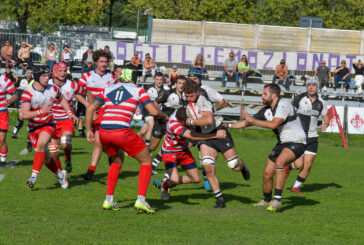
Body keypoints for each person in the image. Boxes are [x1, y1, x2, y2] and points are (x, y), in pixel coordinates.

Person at [85, 67, 168, 213]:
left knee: (117, 161)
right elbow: (154, 112)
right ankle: (141, 200)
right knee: (146, 161)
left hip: (104, 131)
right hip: (121, 131)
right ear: (136, 78)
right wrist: (164, 116)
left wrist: (89, 130)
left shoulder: (108, 89)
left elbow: (90, 108)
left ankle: (108, 200)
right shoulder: (138, 90)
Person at [230, 84, 306, 212]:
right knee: (267, 173)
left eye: (265, 94)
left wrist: (253, 121)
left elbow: (273, 124)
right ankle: (266, 200)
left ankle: (277, 200)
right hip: (282, 143)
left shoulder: (284, 105)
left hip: (297, 141)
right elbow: (248, 122)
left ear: (274, 95)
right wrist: (228, 126)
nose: (262, 96)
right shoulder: (266, 110)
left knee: (280, 162)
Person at [184, 79, 250, 208]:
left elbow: (208, 120)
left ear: (197, 93)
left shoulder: (203, 100)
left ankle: (242, 166)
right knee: (208, 167)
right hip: (205, 137)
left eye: (191, 96)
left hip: (219, 132)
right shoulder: (186, 98)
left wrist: (189, 122)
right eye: (187, 96)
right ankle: (219, 199)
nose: (189, 99)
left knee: (234, 165)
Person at [20, 66, 76, 188]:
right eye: (44, 76)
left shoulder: (53, 88)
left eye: (48, 76)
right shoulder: (28, 92)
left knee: (41, 144)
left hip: (49, 123)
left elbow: (62, 99)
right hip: (33, 127)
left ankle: (33, 177)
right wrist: (40, 111)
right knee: (46, 158)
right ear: (37, 77)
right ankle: (60, 175)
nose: (48, 78)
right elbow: (24, 114)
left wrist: (69, 112)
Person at [156, 107, 226, 200]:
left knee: (196, 179)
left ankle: (170, 180)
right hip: (170, 152)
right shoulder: (173, 124)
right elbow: (193, 136)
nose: (183, 124)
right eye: (181, 121)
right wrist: (216, 135)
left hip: (184, 151)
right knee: (174, 180)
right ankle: (164, 186)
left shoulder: (186, 113)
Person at [286, 79, 329, 194]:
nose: (311, 87)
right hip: (299, 137)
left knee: (308, 165)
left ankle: (295, 187)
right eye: (309, 85)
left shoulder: (321, 103)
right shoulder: (299, 98)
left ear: (317, 87)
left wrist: (325, 125)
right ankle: (288, 166)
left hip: (312, 138)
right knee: (298, 164)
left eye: (314, 85)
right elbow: (289, 112)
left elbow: (326, 119)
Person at [79, 49, 117, 180]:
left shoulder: (112, 78)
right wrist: (89, 107)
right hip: (94, 113)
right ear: (95, 62)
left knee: (102, 141)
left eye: (106, 61)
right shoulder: (87, 76)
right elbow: (78, 92)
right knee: (98, 141)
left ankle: (94, 168)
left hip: (108, 113)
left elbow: (116, 95)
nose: (104, 64)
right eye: (102, 61)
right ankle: (93, 168)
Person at [48, 63, 87, 173]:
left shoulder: (72, 84)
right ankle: (60, 173)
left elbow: (81, 92)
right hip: (51, 120)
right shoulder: (48, 84)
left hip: (67, 118)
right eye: (60, 71)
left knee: (65, 144)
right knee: (53, 152)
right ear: (54, 72)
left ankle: (68, 158)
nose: (63, 73)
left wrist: (88, 105)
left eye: (65, 71)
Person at [150, 74, 186, 174]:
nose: (181, 85)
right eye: (179, 83)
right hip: (161, 122)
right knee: (153, 146)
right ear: (175, 84)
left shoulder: (186, 97)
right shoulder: (167, 93)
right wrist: (159, 114)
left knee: (167, 145)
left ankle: (152, 166)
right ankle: (143, 157)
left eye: (183, 83)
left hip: (171, 126)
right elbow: (156, 103)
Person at [0, 72, 18, 166]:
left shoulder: (5, 80)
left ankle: (2, 161)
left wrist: (10, 101)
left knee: (2, 139)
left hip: (2, 114)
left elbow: (15, 96)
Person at [12, 69, 33, 139]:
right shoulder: (21, 79)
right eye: (28, 73)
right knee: (22, 116)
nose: (29, 74)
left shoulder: (34, 81)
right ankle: (14, 132)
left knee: (29, 118)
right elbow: (14, 87)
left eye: (30, 73)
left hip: (30, 101)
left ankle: (30, 134)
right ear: (26, 73)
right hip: (20, 101)